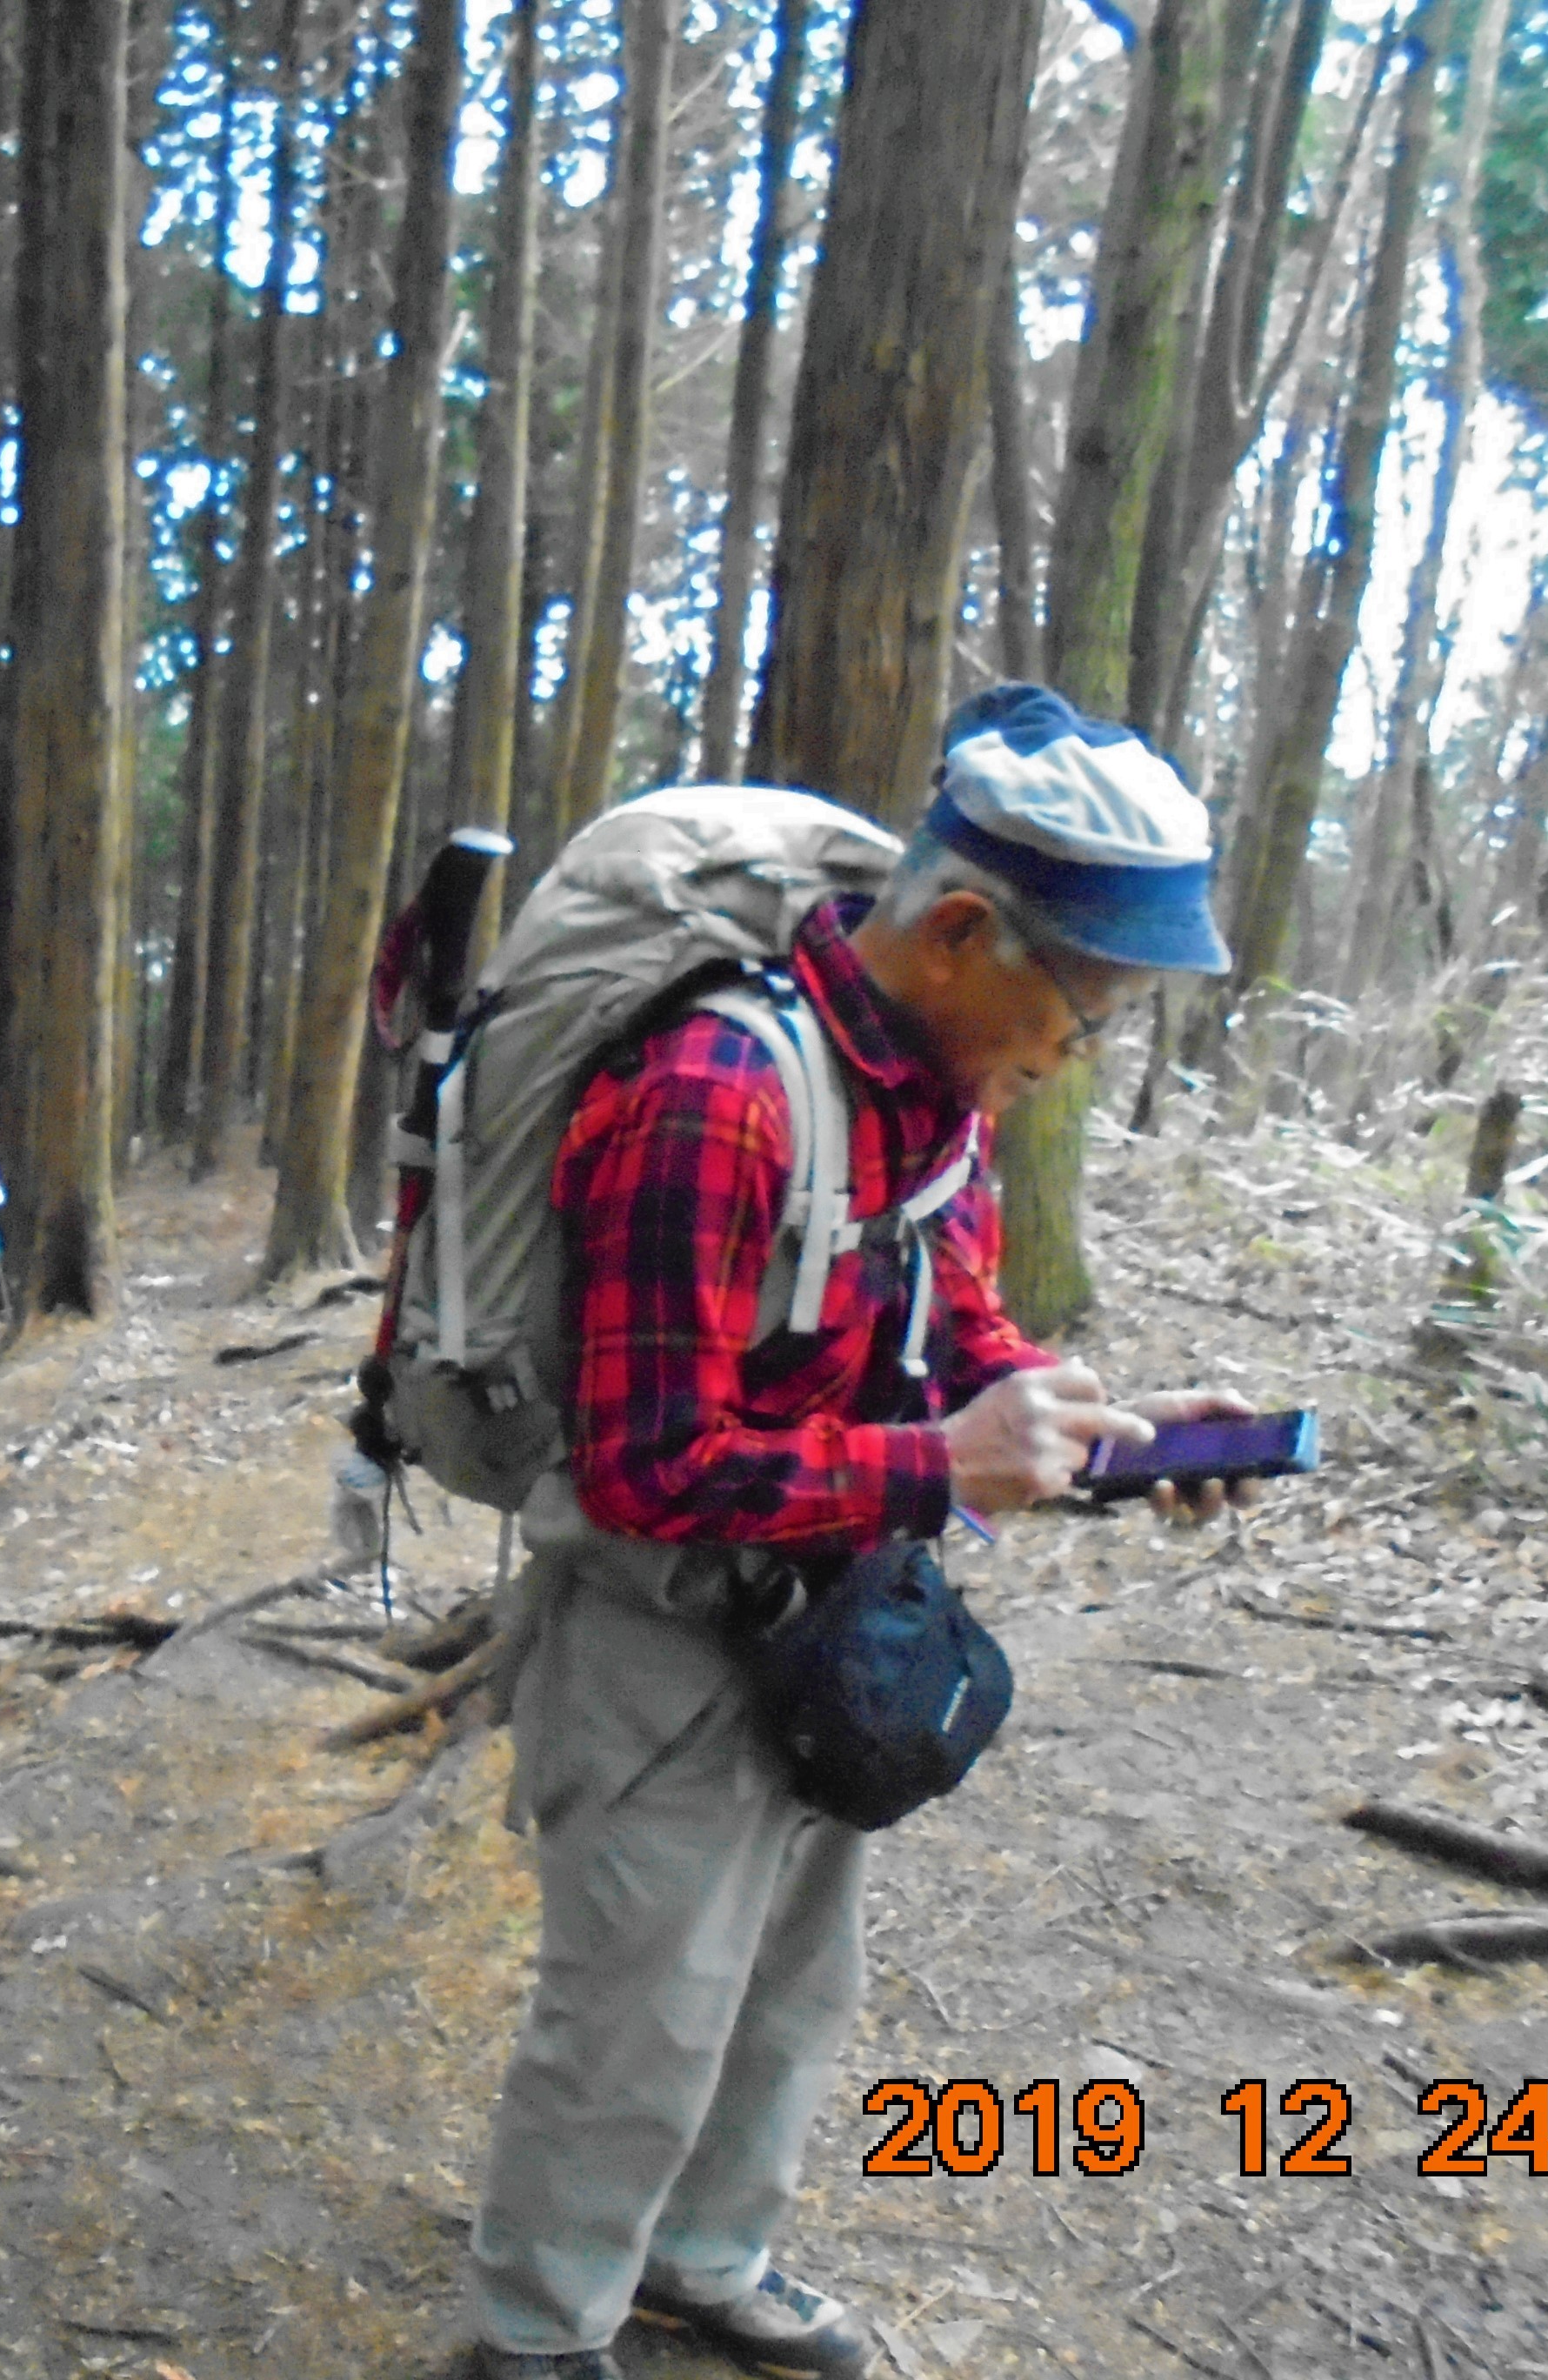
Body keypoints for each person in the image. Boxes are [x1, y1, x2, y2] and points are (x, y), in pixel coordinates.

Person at [470, 685, 1265, 2380]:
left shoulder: (935, 1095)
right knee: (634, 2020)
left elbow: (954, 1324)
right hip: (657, 1633)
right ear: (965, 930)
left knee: (781, 1987)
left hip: (827, 1616)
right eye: (1092, 1004)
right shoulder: (714, 1095)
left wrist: (1086, 1427)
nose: (1085, 1053)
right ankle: (536, 2336)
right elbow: (644, 1465)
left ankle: (703, 2257)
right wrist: (937, 1473)